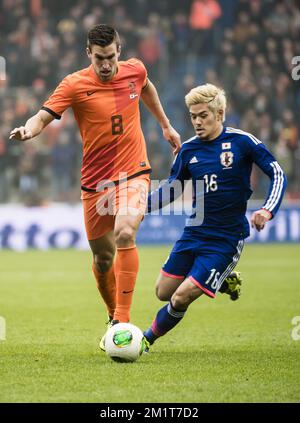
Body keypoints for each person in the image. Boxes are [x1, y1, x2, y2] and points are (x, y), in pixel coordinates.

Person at [9, 24, 181, 348]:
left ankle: (123, 324)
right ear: (88, 53)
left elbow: (146, 87)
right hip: (95, 183)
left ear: (119, 50)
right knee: (104, 260)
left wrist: (166, 126)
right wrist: (30, 130)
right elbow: (44, 115)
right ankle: (112, 314)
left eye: (111, 57)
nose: (106, 64)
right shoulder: (74, 84)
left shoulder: (135, 70)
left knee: (126, 232)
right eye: (99, 57)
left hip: (134, 171)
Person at [143, 83, 287, 349]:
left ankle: (143, 341)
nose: (197, 122)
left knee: (181, 297)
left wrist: (266, 209)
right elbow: (172, 189)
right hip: (194, 233)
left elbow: (277, 173)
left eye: (203, 116)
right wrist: (140, 208)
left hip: (225, 239)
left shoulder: (243, 142)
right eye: (193, 116)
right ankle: (224, 279)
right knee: (163, 292)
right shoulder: (188, 150)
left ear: (219, 114)